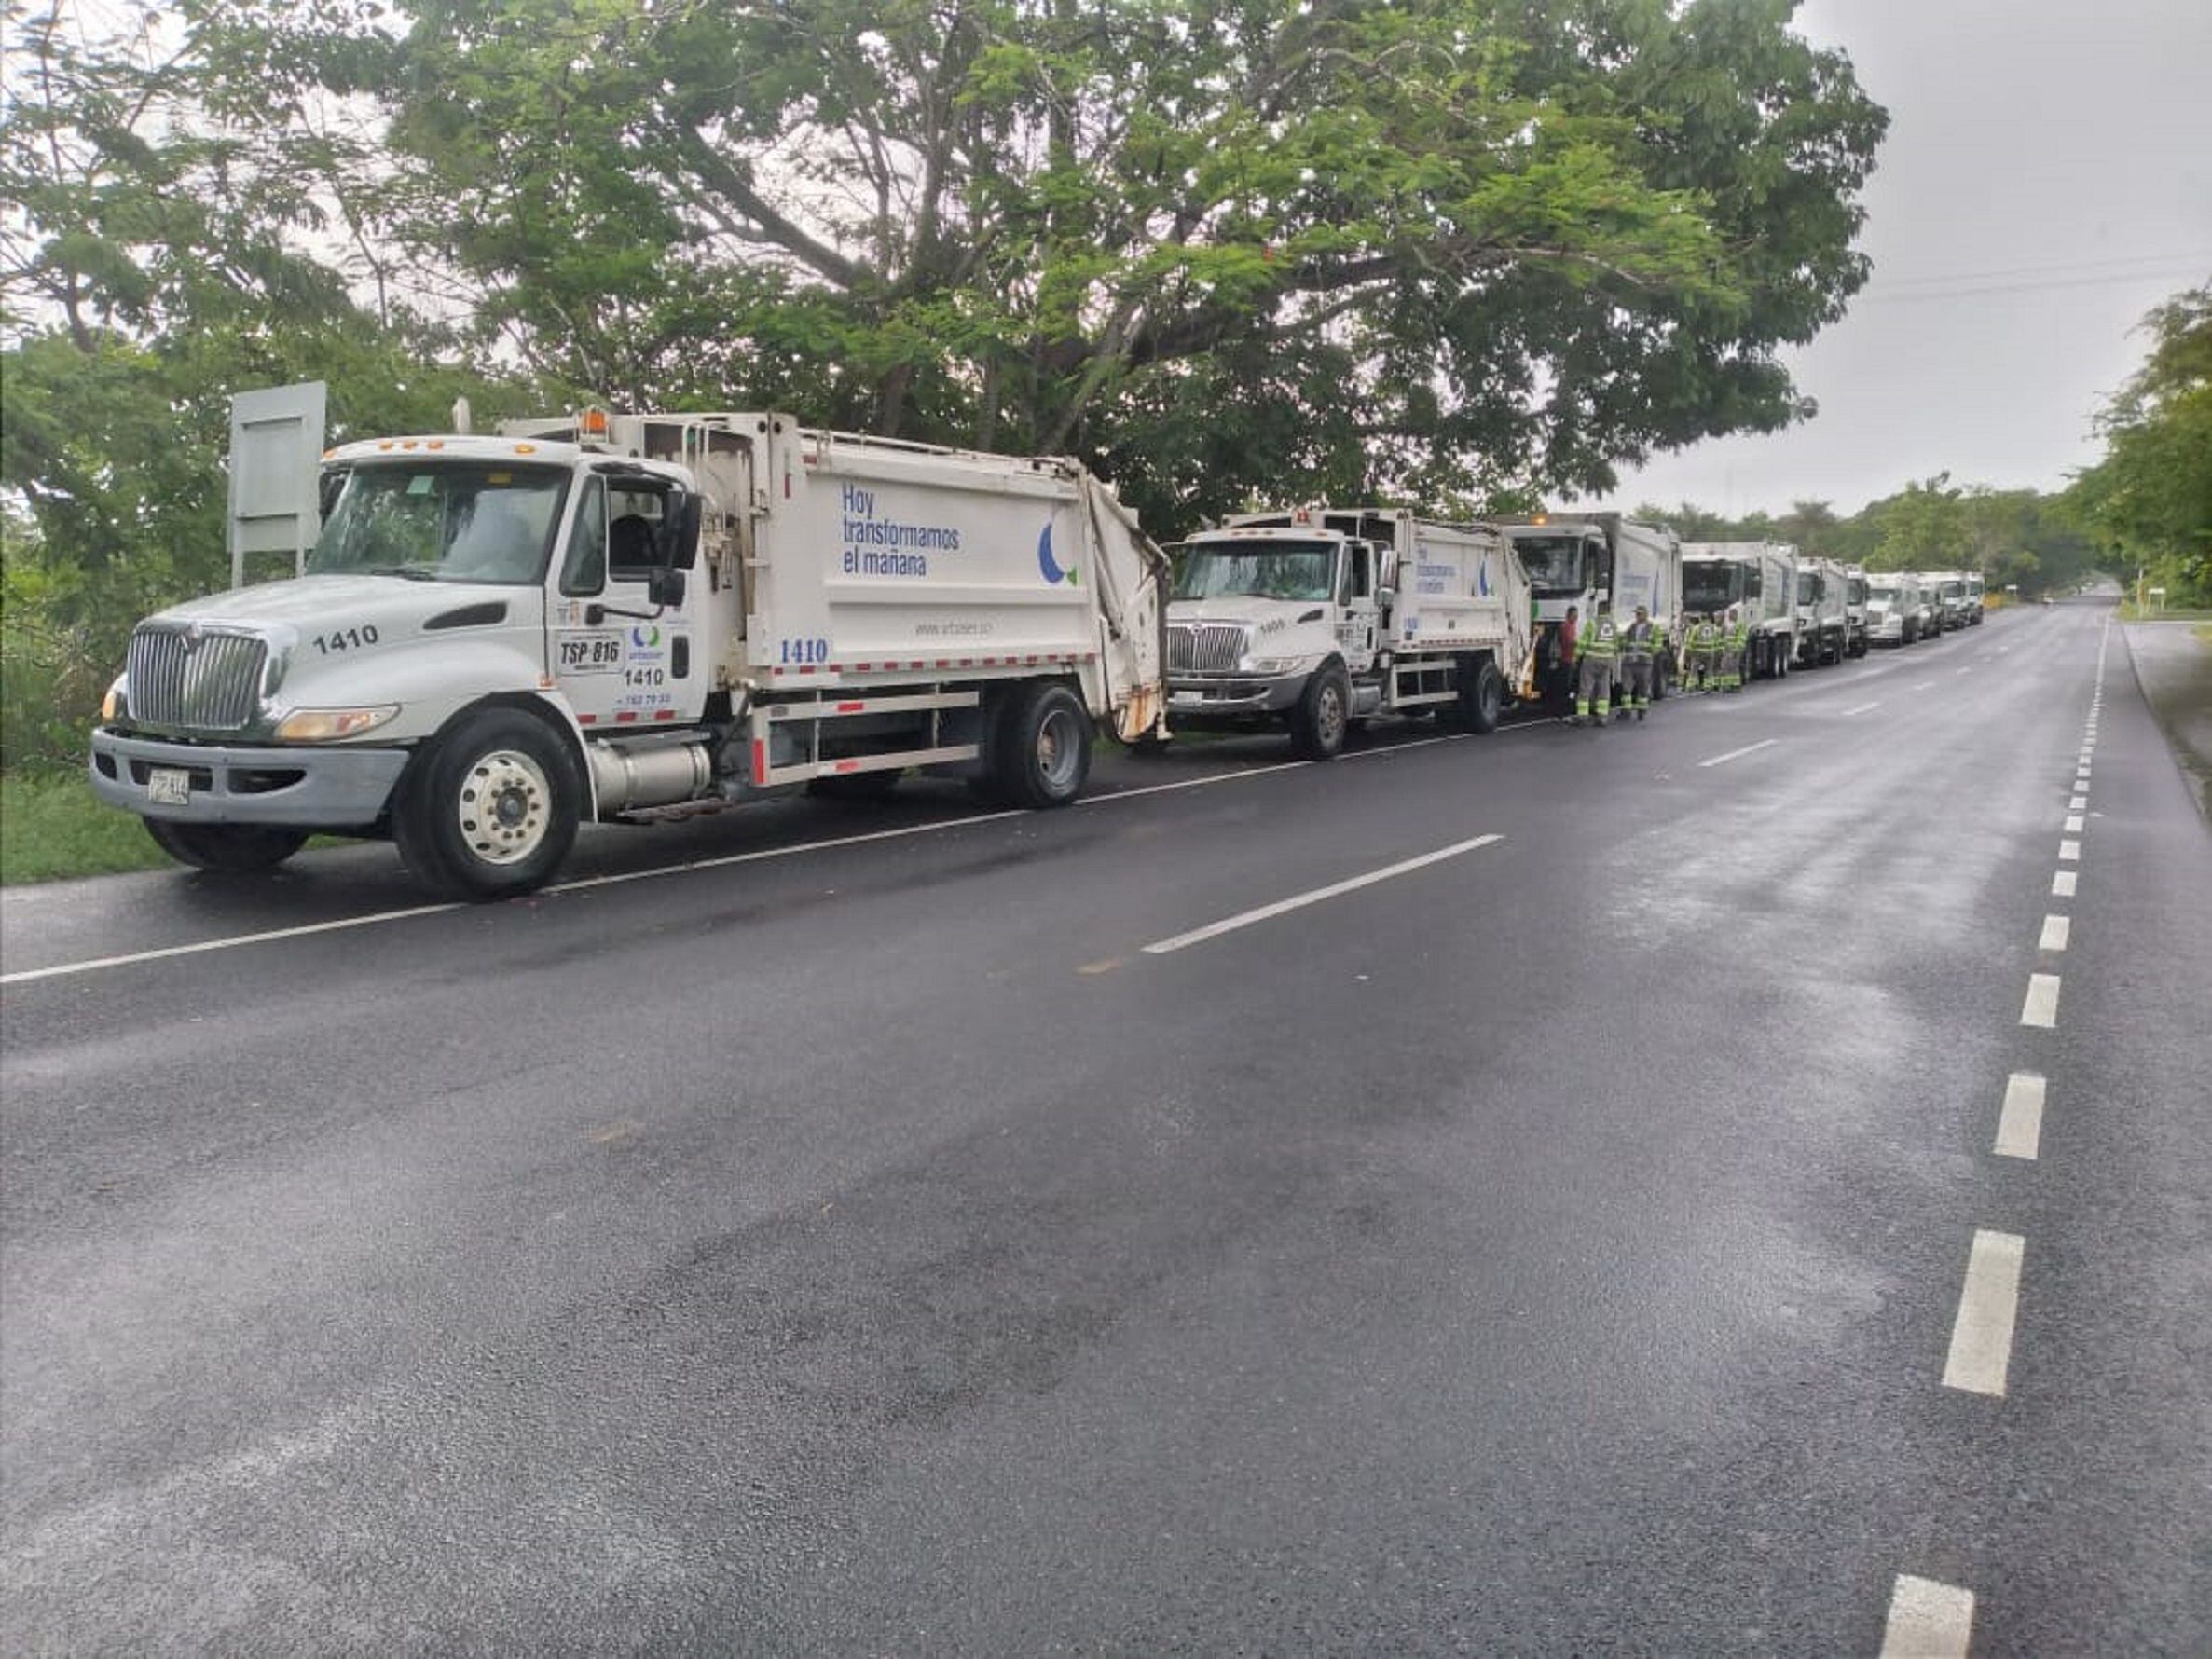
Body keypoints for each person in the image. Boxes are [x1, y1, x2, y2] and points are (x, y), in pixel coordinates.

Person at [1572, 597, 1619, 726]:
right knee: (1604, 689)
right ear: (1609, 610)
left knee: (1585, 688)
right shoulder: (1614, 625)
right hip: (1607, 661)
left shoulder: (1592, 623)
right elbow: (1617, 645)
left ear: (1600, 609)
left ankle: (1582, 717)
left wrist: (1576, 657)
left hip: (1592, 660)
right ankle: (1602, 718)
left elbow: (1583, 642)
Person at [1620, 602, 1656, 720]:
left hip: (1644, 663)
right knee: (1626, 688)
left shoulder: (1653, 628)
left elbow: (1658, 644)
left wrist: (1650, 652)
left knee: (1643, 689)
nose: (1637, 616)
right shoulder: (1632, 626)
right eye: (1636, 614)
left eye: (1639, 614)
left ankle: (1642, 711)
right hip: (1629, 662)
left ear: (1645, 615)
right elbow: (1624, 640)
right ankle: (1626, 711)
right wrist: (1623, 645)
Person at [1688, 612, 1721, 692]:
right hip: (1710, 652)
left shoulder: (1697, 628)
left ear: (1701, 619)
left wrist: (1691, 650)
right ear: (1708, 619)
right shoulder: (1714, 628)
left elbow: (1691, 641)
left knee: (1693, 670)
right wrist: (1716, 650)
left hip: (1698, 653)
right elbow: (1717, 640)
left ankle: (1691, 687)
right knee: (1708, 670)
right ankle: (1708, 687)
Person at [1724, 606, 1751, 692]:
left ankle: (1736, 686)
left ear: (1736, 615)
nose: (1730, 616)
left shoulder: (1739, 625)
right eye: (1729, 614)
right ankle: (1730, 685)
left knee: (1734, 668)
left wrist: (1737, 649)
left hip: (1735, 650)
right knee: (1728, 668)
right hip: (1728, 650)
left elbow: (1741, 638)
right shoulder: (1727, 625)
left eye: (1732, 614)